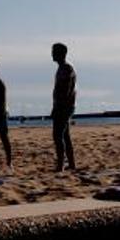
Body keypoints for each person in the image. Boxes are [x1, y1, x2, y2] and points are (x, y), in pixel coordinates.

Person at [51, 43, 76, 172]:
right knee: (65, 135)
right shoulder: (61, 68)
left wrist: (59, 107)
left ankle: (61, 165)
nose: (52, 53)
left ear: (61, 53)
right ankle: (71, 163)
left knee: (57, 135)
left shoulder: (67, 69)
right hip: (62, 106)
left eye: (54, 51)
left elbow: (66, 90)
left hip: (64, 107)